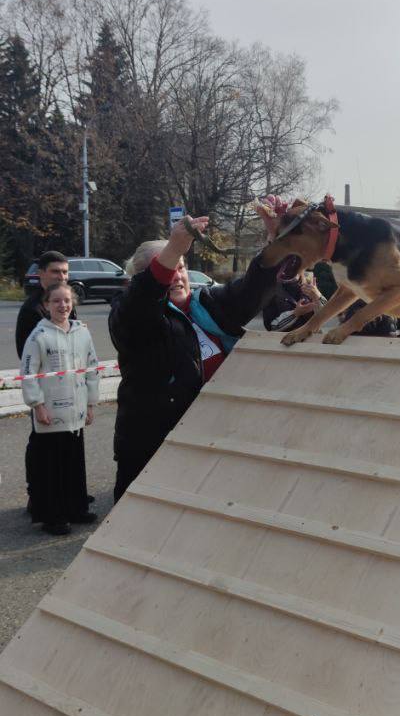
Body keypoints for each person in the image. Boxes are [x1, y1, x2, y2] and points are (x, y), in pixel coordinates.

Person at [109, 214, 282, 501]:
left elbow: (252, 290)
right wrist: (173, 248)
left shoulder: (207, 304)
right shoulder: (128, 315)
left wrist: (276, 241)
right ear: (141, 278)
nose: (177, 275)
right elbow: (141, 303)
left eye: (181, 267)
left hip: (213, 438)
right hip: (154, 445)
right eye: (169, 268)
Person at [20, 282, 99, 535]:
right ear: (46, 305)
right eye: (56, 301)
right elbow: (28, 373)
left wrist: (90, 404)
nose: (62, 305)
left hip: (75, 413)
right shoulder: (38, 336)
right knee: (51, 468)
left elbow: (92, 369)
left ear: (73, 302)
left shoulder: (82, 333)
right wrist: (37, 405)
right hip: (51, 415)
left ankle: (76, 509)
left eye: (66, 300)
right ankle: (53, 517)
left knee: (73, 464)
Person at [15, 250, 75, 358]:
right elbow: (25, 354)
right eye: (55, 271)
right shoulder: (31, 309)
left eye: (65, 272)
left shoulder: (68, 303)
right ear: (41, 273)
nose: (62, 277)